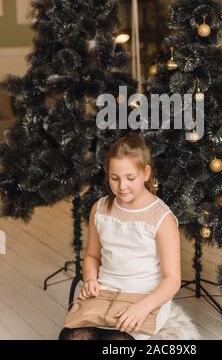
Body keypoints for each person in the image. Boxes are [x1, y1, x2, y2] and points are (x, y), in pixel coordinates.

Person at [59, 133, 181, 341]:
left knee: (116, 342)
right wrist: (89, 280)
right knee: (71, 337)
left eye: (130, 178)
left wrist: (142, 308)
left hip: (144, 298)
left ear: (145, 173)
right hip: (104, 293)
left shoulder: (162, 218)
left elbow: (172, 279)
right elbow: (92, 257)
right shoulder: (99, 209)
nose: (122, 186)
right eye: (114, 178)